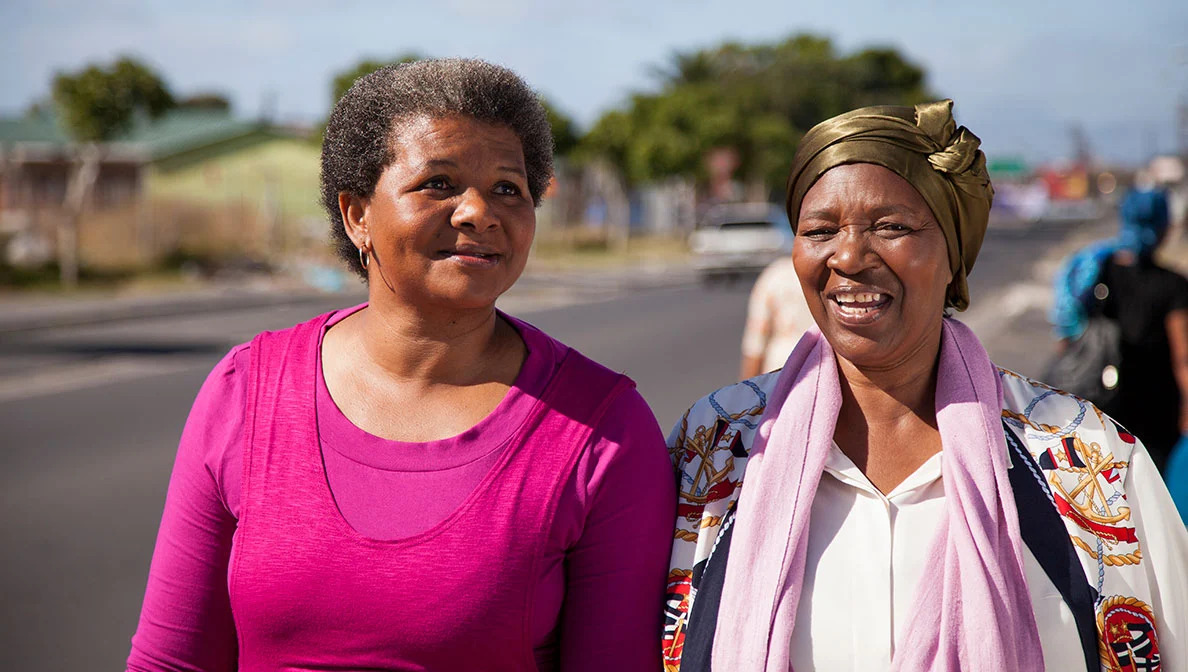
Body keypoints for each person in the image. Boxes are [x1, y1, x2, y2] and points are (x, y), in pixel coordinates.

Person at [127, 59, 675, 672]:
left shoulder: (604, 431)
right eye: (438, 183)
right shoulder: (245, 391)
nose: (479, 213)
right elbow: (171, 662)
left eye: (507, 189)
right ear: (356, 214)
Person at [663, 101, 1188, 672]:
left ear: (952, 254)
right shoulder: (715, 451)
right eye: (819, 230)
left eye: (890, 227)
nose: (848, 256)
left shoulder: (1084, 460)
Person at [1050, 182, 1188, 474]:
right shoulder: (1173, 286)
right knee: (1150, 495)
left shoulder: (1096, 270)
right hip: (1156, 410)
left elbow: (1070, 335)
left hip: (1102, 403)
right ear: (1164, 226)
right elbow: (1183, 356)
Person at [739, 256, 815, 379]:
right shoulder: (827, 274)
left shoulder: (775, 275)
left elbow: (756, 341)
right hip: (819, 364)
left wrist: (745, 390)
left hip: (779, 366)